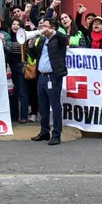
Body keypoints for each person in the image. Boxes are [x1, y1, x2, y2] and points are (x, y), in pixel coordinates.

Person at [28, 17, 68, 146]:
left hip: (53, 77)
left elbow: (64, 38)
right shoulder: (41, 41)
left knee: (55, 106)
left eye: (45, 26)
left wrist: (52, 34)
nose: (42, 28)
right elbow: (35, 56)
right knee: (43, 106)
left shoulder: (58, 40)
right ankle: (44, 132)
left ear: (52, 28)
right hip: (41, 76)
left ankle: (56, 134)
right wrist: (30, 47)